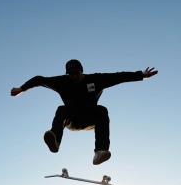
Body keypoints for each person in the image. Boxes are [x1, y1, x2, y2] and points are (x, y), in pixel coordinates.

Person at [10, 59, 158, 165]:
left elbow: (118, 77)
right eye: (71, 74)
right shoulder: (62, 81)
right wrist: (21, 89)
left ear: (81, 71)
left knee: (102, 110)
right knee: (61, 109)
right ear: (67, 73)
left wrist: (141, 75)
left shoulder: (96, 79)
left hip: (90, 119)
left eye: (76, 73)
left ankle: (100, 151)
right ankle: (55, 140)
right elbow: (39, 79)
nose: (74, 77)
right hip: (71, 120)